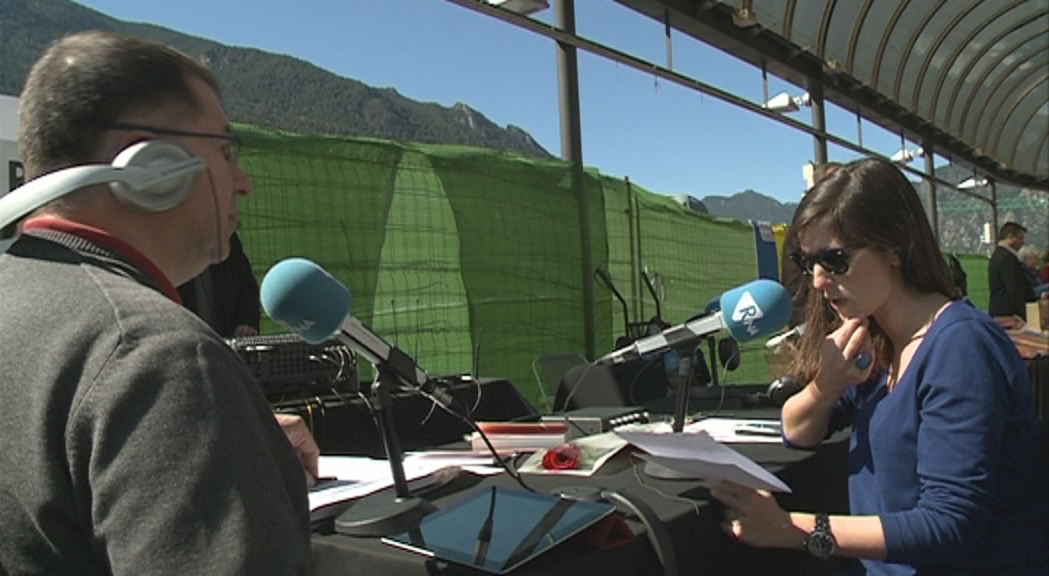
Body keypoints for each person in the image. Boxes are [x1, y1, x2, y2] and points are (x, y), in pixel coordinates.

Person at [0, 31, 317, 573]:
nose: (243, 182)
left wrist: (224, 444)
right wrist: (186, 407)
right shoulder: (156, 357)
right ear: (153, 166)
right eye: (225, 151)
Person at [711, 159, 1047, 574]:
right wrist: (826, 384)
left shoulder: (960, 348)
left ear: (893, 247)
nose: (817, 280)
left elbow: (950, 526)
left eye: (835, 260)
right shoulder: (879, 339)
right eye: (807, 262)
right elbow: (795, 431)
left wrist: (789, 529)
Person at [178, 230, 262, 337]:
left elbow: (246, 286)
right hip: (183, 339)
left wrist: (246, 321)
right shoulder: (171, 244)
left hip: (226, 341)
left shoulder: (227, 239)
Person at [988, 221, 1036, 320]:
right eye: (1020, 238)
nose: (1023, 242)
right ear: (1010, 237)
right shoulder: (1007, 259)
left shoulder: (998, 256)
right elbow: (1015, 289)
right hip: (1009, 314)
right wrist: (1027, 315)